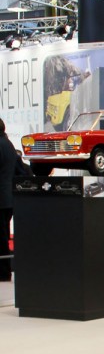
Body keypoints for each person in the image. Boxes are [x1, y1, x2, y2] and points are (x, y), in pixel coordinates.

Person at [0, 118, 28, 282]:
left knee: (1, 238)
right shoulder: (8, 144)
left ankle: (3, 272)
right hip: (7, 198)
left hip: (1, 199)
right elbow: (21, 171)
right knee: (2, 236)